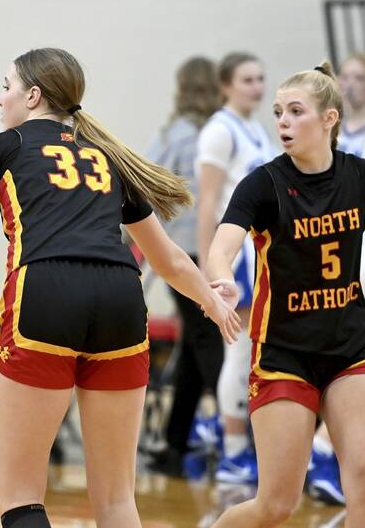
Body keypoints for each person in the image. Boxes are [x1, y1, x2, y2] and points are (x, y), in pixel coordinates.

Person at [0, 47, 240, 528]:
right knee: (116, 500)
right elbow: (170, 259)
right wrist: (212, 301)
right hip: (121, 297)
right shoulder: (107, 155)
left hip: (46, 290)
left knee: (20, 495)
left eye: (6, 85)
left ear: (32, 96)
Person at [207, 62, 365, 527]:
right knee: (277, 505)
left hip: (350, 347)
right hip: (285, 353)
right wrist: (223, 279)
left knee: (361, 474)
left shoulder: (358, 176)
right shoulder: (264, 184)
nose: (282, 122)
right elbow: (221, 249)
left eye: (295, 112)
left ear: (329, 118)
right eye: (278, 112)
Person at [196, 51, 275, 484]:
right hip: (235, 258)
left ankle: (235, 438)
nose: (257, 87)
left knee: (251, 352)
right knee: (239, 349)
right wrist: (212, 266)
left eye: (261, 78)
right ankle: (232, 449)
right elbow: (208, 200)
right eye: (247, 79)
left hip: (259, 254)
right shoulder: (219, 131)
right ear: (225, 84)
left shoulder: (259, 130)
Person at [146, 56, 224, 476]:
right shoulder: (223, 132)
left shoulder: (172, 135)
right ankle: (236, 431)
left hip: (181, 254)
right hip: (215, 253)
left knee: (201, 343)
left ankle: (179, 440)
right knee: (204, 342)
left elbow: (142, 183)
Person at [305, 53, 365, 507]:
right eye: (344, 77)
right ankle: (324, 449)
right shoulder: (327, 142)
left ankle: (327, 448)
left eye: (358, 78)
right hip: (332, 265)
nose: (350, 84)